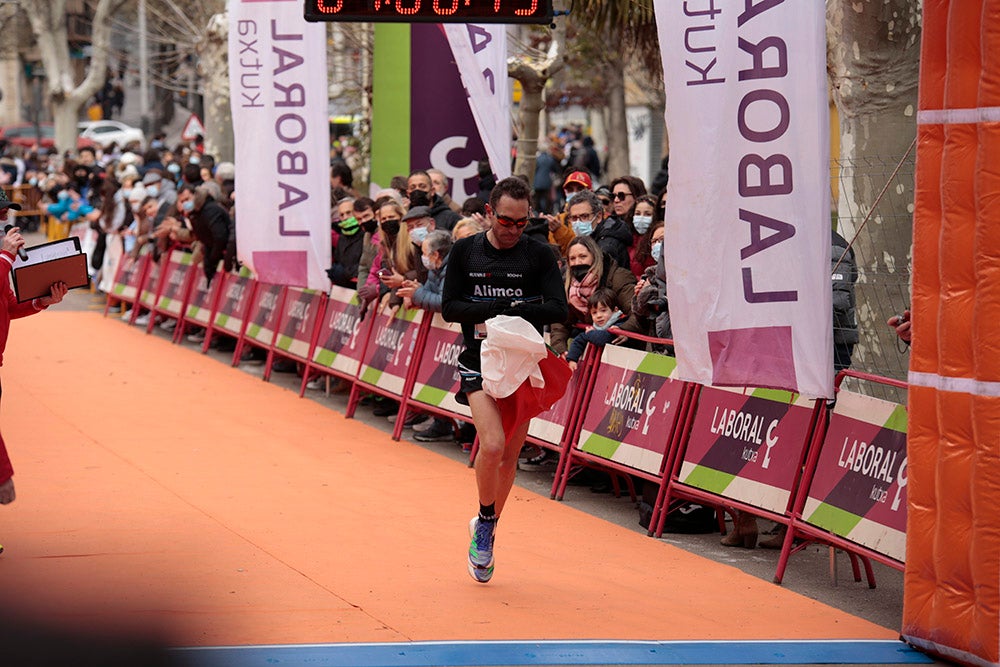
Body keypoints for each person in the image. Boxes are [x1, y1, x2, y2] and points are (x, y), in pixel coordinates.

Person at [442, 176, 568, 583]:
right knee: (492, 444)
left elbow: (557, 309)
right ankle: (483, 518)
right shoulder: (465, 252)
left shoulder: (539, 254)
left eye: (521, 222)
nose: (513, 230)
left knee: (510, 455)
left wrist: (515, 310)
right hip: (477, 359)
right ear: (489, 214)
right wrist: (495, 308)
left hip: (521, 365)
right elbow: (449, 307)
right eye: (505, 222)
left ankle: (490, 527)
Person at [0, 204, 69, 551]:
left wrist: (41, 301)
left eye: (4, 212)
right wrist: (6, 258)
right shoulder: (2, 259)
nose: (4, 220)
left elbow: (8, 306)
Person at [565, 288, 624, 371]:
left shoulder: (621, 324)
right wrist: (572, 359)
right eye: (594, 312)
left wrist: (589, 333)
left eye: (603, 310)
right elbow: (579, 340)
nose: (599, 315)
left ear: (615, 310)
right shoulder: (595, 328)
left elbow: (603, 339)